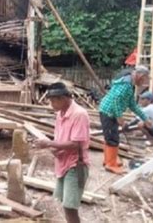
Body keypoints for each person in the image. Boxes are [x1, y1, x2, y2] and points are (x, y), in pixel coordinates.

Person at [35, 82, 90, 223]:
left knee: (70, 207)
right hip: (63, 163)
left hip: (75, 164)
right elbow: (60, 137)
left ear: (63, 98)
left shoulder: (79, 114)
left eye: (53, 101)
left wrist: (48, 143)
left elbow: (75, 143)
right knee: (66, 205)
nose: (51, 104)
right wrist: (55, 148)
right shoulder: (60, 114)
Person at [99, 65, 153, 174]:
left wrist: (145, 118)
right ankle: (110, 164)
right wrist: (119, 117)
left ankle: (109, 160)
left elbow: (132, 104)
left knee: (110, 137)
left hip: (111, 112)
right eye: (144, 79)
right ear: (140, 76)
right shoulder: (126, 85)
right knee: (112, 139)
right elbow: (116, 100)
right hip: (109, 112)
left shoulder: (130, 84)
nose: (143, 83)